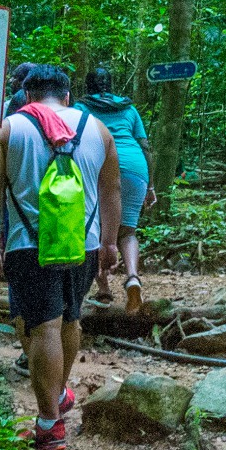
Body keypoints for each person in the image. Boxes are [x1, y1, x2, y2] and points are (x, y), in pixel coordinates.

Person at [0, 65, 122, 450]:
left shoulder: (8, 129)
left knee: (42, 329)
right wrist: (110, 243)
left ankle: (48, 427)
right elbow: (112, 190)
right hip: (84, 244)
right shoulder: (98, 129)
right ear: (68, 97)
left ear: (26, 96)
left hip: (28, 244)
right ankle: (57, 396)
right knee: (70, 319)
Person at [77, 67, 152, 311]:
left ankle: (104, 289)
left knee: (99, 230)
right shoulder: (129, 109)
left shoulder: (81, 108)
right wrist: (150, 185)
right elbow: (145, 146)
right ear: (111, 85)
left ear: (88, 86)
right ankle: (132, 277)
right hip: (135, 165)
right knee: (127, 231)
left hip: (101, 164)